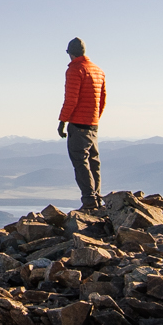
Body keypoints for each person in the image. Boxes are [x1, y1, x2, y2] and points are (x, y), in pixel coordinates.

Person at [57, 36, 107, 211]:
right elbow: (102, 100)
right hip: (92, 124)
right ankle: (97, 198)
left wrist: (62, 121)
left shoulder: (75, 70)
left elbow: (71, 99)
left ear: (69, 53)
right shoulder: (98, 71)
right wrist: (94, 118)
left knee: (80, 161)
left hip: (78, 124)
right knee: (94, 161)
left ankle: (89, 200)